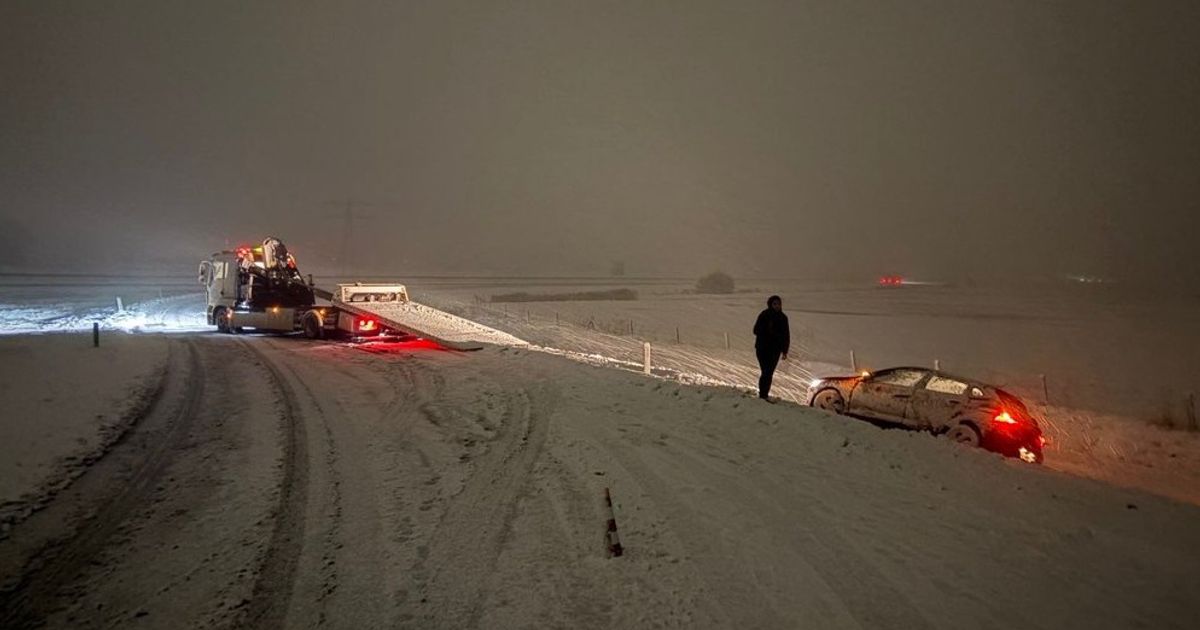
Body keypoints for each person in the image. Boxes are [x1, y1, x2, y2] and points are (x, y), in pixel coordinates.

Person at [753, 295, 790, 401]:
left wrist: (785, 350)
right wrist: (767, 331)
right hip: (762, 348)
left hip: (775, 350)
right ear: (770, 304)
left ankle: (764, 394)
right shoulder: (764, 315)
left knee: (769, 372)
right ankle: (763, 395)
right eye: (775, 304)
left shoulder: (783, 318)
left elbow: (786, 335)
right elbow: (755, 330)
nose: (777, 306)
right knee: (766, 371)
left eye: (779, 304)